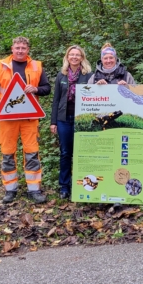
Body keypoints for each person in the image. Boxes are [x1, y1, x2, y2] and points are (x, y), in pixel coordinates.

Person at [0, 36, 51, 204]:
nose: (20, 50)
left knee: (32, 153)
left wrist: (36, 89)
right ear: (12, 49)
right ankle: (10, 189)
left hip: (29, 118)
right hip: (7, 118)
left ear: (28, 50)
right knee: (7, 153)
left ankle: (34, 189)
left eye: (23, 48)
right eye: (17, 48)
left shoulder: (37, 66)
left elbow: (47, 89)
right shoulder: (1, 66)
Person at [50, 45, 92, 199]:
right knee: (66, 153)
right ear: (67, 57)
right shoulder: (61, 75)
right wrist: (53, 121)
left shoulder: (88, 75)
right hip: (64, 119)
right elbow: (55, 100)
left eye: (77, 55)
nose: (74, 57)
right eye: (71, 54)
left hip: (82, 119)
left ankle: (84, 185)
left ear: (82, 57)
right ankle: (64, 187)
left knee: (83, 153)